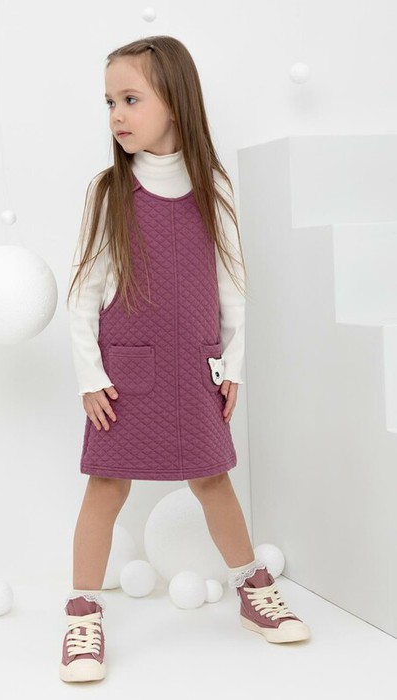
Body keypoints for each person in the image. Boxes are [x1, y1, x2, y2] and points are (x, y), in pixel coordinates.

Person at [59, 35, 310, 683]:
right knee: (106, 487)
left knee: (212, 479)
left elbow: (234, 288)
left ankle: (252, 590)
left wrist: (233, 366)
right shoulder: (108, 192)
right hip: (126, 374)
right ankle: (82, 614)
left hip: (196, 369)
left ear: (174, 100)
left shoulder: (212, 189)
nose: (116, 114)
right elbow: (83, 293)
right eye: (110, 102)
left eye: (130, 99)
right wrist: (91, 375)